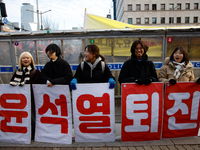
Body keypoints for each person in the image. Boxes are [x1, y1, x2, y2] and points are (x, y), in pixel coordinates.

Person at [10, 51, 41, 140]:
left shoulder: (36, 72)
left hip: (32, 99)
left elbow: (38, 85)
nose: (26, 59)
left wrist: (25, 84)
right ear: (20, 60)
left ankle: (33, 135)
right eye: (24, 58)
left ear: (31, 60)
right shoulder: (17, 72)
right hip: (19, 100)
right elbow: (12, 82)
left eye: (28, 58)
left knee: (32, 117)